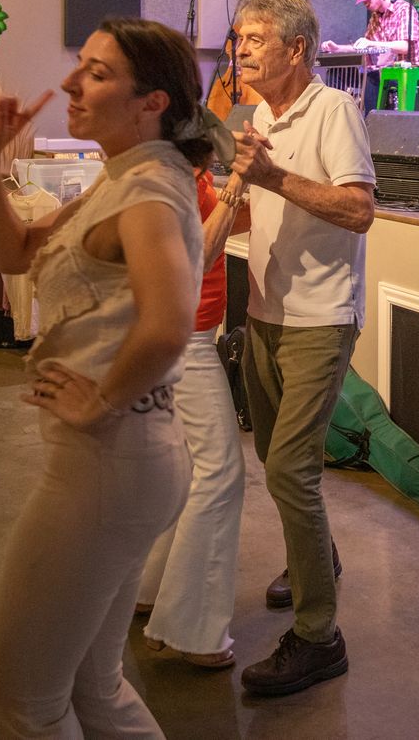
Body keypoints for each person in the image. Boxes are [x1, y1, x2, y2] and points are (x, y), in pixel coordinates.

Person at [0, 18, 210, 738]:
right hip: (126, 460)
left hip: (108, 462)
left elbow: (168, 324)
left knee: (25, 700)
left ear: (152, 103)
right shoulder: (123, 176)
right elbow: (16, 252)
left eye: (98, 74)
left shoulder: (147, 190)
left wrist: (102, 400)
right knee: (92, 687)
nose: (72, 83)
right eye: (82, 65)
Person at [210, 0, 375, 696]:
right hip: (266, 310)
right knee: (275, 459)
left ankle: (319, 638)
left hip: (320, 316)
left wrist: (271, 175)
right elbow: (265, 206)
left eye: (254, 39)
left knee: (290, 471)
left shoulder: (333, 111)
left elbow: (360, 209)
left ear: (296, 48)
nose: (240, 50)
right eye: (238, 39)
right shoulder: (257, 117)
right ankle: (318, 557)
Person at [133, 165, 246, 670]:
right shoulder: (168, 165)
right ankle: (189, 630)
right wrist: (238, 185)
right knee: (221, 472)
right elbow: (196, 252)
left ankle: (149, 589)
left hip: (177, 334)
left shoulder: (178, 164)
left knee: (189, 471)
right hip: (186, 340)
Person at [322, 0, 419, 113]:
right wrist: (337, 49)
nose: (366, 3)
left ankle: (370, 120)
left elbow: (405, 47)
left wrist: (373, 44)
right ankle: (338, 116)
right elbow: (366, 47)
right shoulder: (375, 17)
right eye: (363, 1)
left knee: (371, 77)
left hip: (401, 72)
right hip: (378, 72)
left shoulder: (403, 9)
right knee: (335, 74)